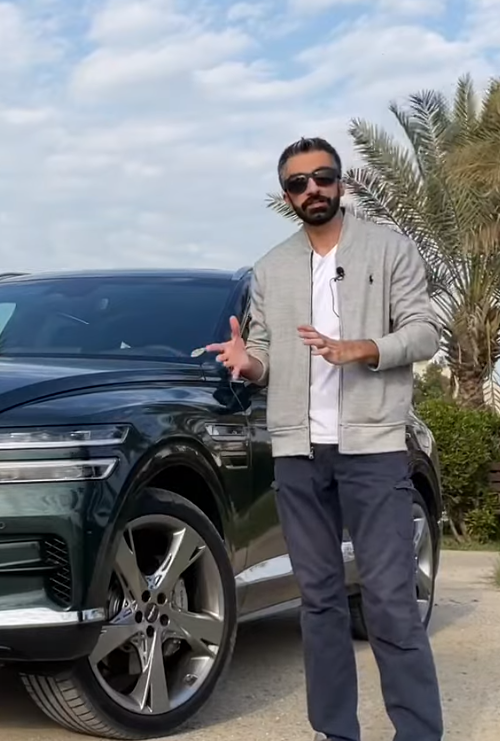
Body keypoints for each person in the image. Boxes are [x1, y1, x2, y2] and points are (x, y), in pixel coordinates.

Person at [205, 136, 444, 741]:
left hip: (374, 450)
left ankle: (418, 732)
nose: (311, 189)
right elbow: (264, 356)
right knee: (318, 600)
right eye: (297, 183)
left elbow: (424, 333)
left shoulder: (389, 249)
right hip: (298, 453)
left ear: (341, 181)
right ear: (286, 195)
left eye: (322, 177)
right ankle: (335, 731)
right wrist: (248, 362)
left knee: (389, 597)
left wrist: (365, 348)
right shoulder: (271, 268)